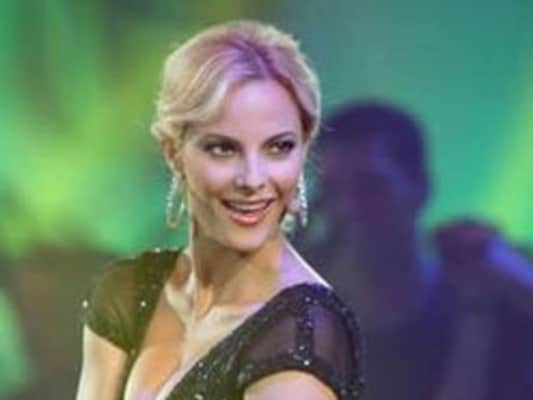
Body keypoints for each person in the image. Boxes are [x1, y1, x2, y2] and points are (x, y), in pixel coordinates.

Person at [76, 20, 364, 400]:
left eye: (278, 147)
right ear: (174, 152)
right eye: (223, 148)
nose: (252, 179)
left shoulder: (299, 334)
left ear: (304, 150)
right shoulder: (129, 291)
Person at [296, 101, 533, 400]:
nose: (348, 207)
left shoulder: (492, 276)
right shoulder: (295, 298)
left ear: (421, 186)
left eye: (371, 186)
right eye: (333, 189)